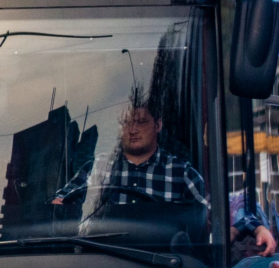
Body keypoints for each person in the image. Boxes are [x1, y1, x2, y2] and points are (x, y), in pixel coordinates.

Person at [50, 104, 275, 256]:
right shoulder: (98, 167)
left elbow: (218, 210)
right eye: (127, 123)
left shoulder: (180, 173)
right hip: (97, 265)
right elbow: (59, 204)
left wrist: (257, 229)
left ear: (158, 125)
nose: (132, 130)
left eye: (141, 122)